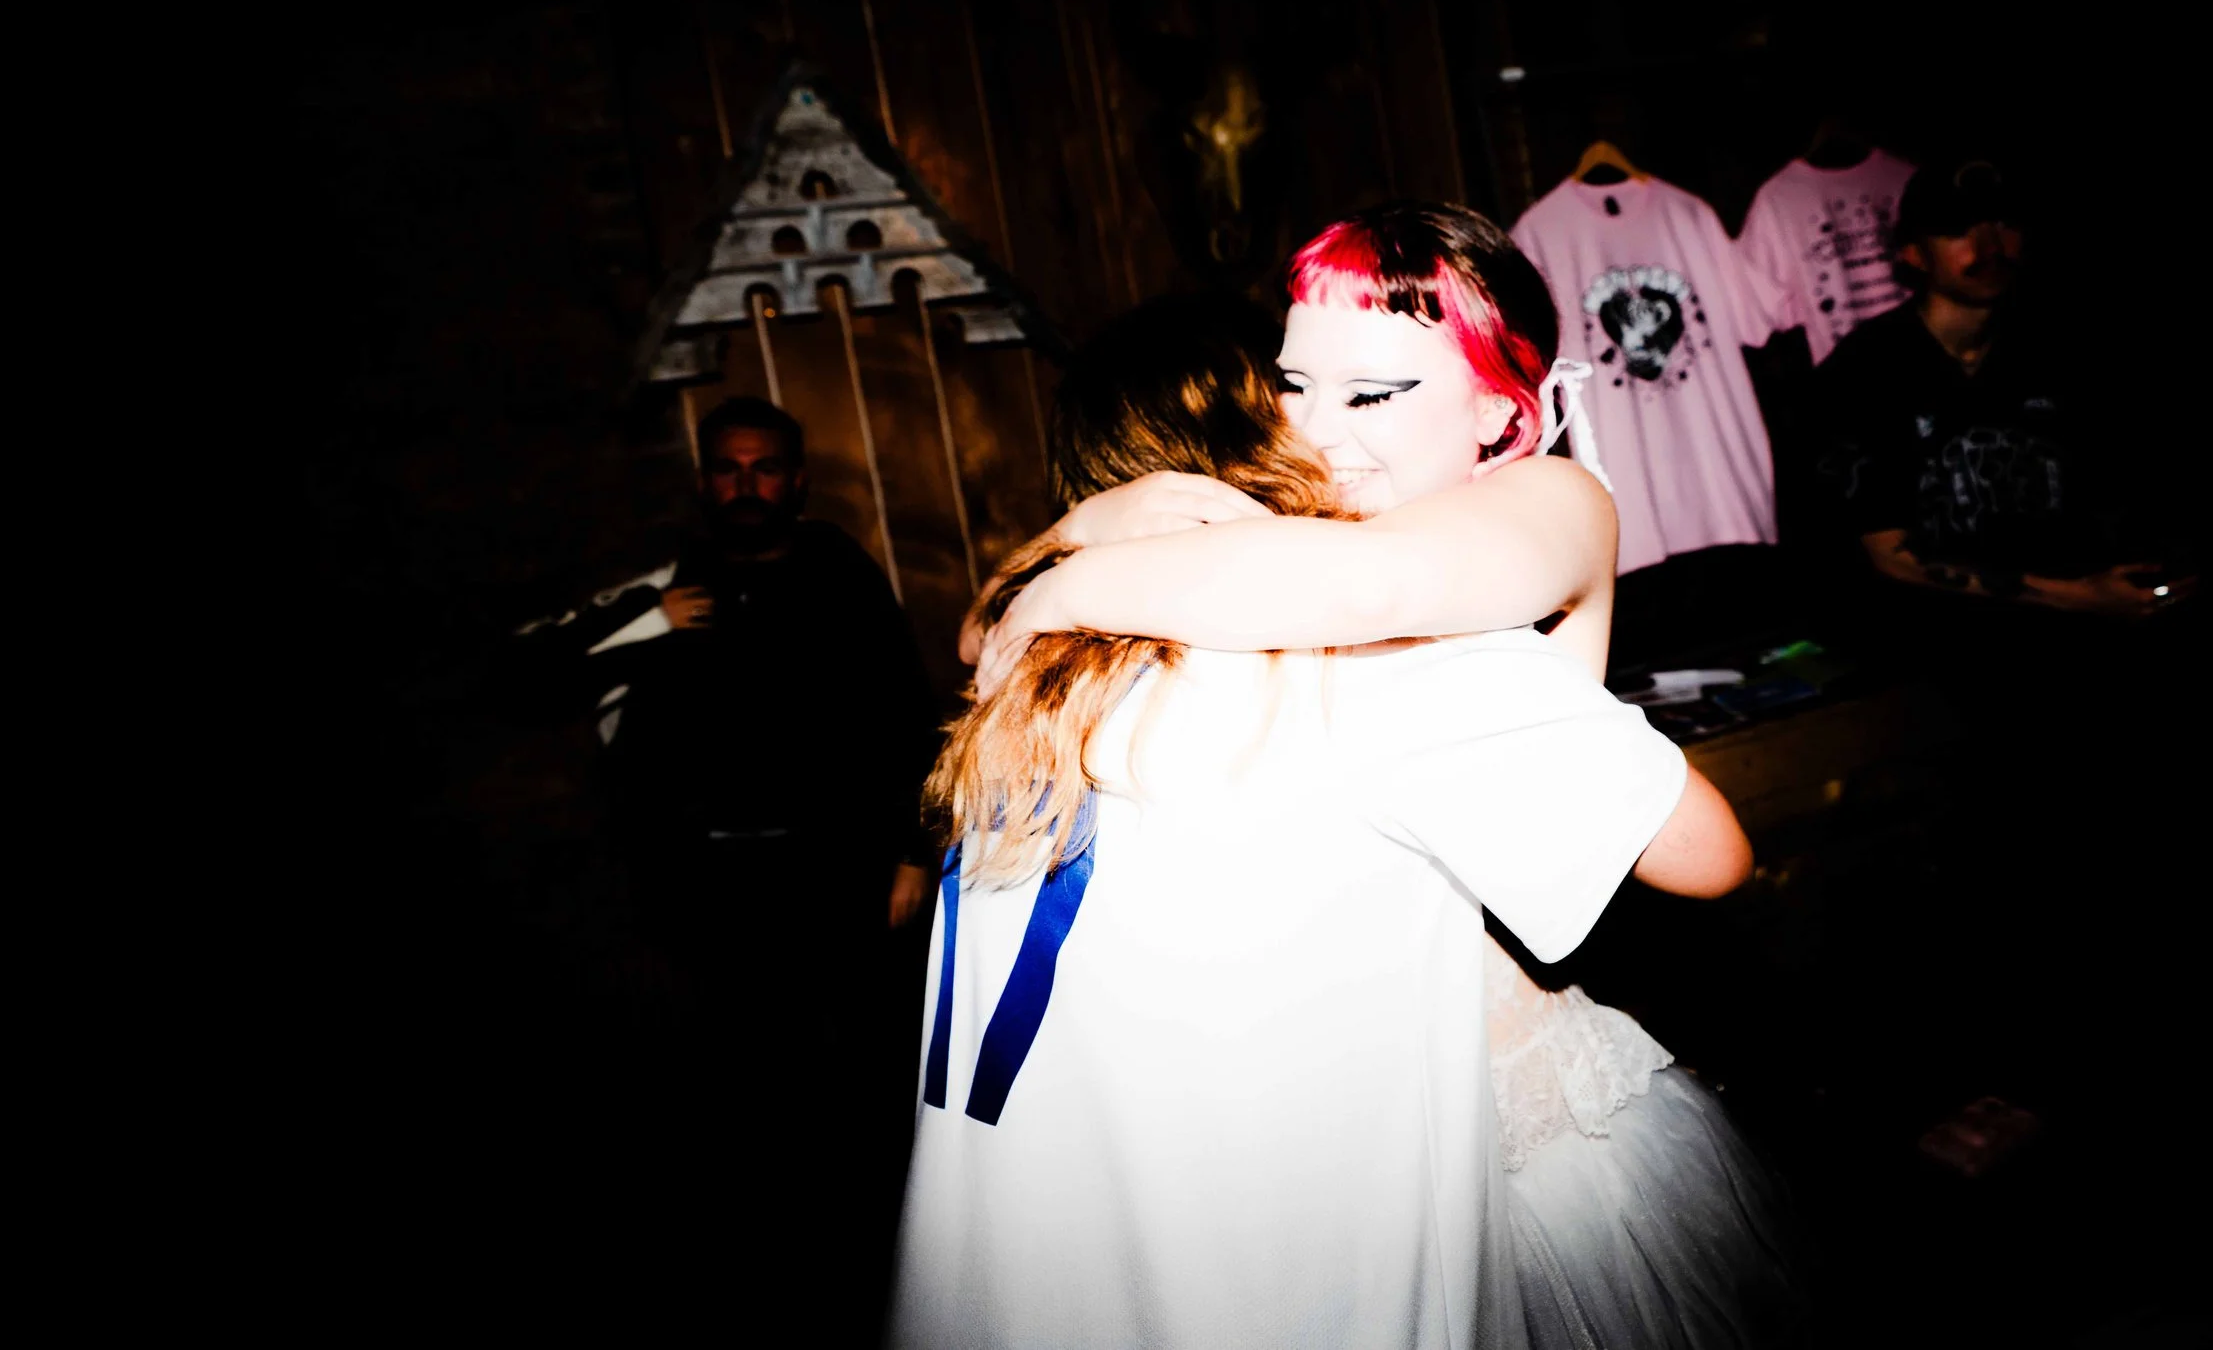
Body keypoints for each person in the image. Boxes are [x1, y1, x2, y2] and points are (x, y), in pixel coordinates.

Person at [967, 205, 1808, 1349]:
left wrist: (1059, 581)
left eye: (1372, 393)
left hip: (1523, 1138)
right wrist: (1077, 535)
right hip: (1354, 1159)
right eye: (1293, 385)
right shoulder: (1279, 578)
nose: (1316, 430)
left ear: (1503, 410)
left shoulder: (1532, 511)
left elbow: (1377, 590)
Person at [508, 395, 940, 1041]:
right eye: (727, 469)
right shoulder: (670, 581)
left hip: (835, 869)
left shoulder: (838, 571)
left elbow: (904, 709)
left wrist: (913, 853)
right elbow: (529, 673)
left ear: (796, 480)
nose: (746, 486)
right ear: (704, 482)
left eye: (764, 468)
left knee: (853, 1045)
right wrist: (651, 622)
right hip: (703, 883)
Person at [1807, 159, 2196, 624]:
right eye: (1958, 230)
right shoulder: (1864, 372)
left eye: (2002, 222)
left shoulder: (2068, 349)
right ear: (1912, 253)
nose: (1989, 246)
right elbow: (1891, 556)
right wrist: (2076, 596)